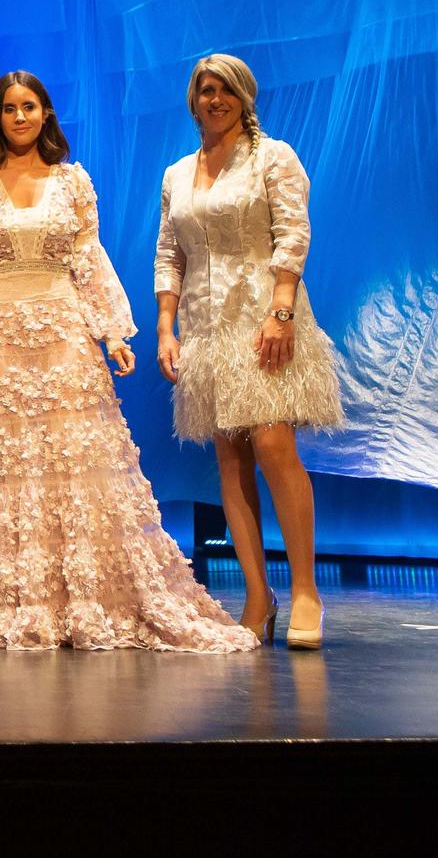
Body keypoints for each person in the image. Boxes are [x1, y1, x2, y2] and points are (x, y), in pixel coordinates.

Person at [0, 71, 256, 653]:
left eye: (29, 106)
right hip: (1, 342)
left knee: (77, 462)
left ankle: (93, 597)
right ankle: (26, 603)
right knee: (13, 469)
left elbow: (89, 258)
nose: (19, 117)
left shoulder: (73, 181)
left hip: (65, 335)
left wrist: (113, 334)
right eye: (8, 109)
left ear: (46, 113)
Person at [155, 54, 343, 650]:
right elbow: (169, 254)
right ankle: (259, 597)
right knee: (230, 458)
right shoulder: (177, 173)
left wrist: (282, 310)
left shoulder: (273, 156)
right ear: (193, 100)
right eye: (206, 90)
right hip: (206, 328)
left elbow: (293, 232)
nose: (216, 100)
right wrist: (166, 327)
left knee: (271, 441)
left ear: (245, 97)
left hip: (263, 317)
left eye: (226, 90)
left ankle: (308, 590)